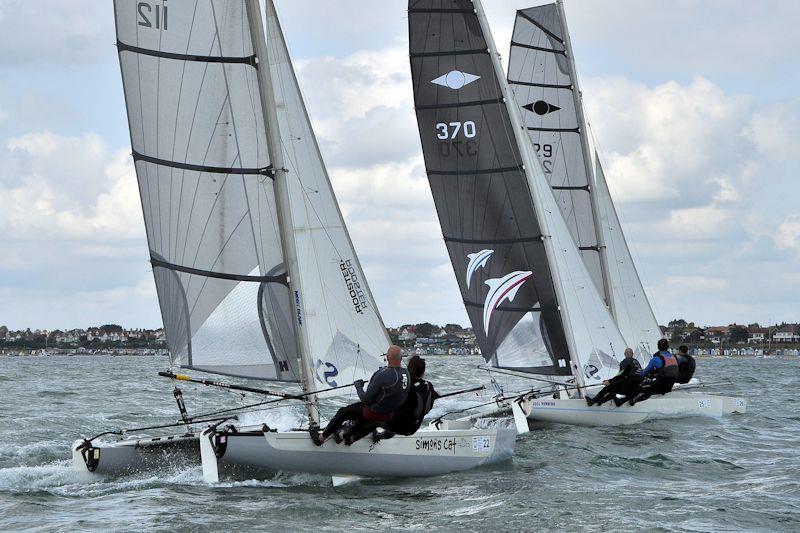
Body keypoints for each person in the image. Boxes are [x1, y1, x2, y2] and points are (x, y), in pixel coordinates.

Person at [309, 345, 409, 446]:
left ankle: (320, 439)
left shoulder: (383, 374)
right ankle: (348, 438)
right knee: (369, 422)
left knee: (343, 412)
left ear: (387, 358)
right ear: (401, 358)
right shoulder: (406, 374)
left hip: (374, 413)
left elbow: (365, 399)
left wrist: (359, 387)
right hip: (389, 415)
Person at [343, 355, 440, 444]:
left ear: (408, 368)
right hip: (413, 428)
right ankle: (379, 436)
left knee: (374, 417)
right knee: (397, 417)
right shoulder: (429, 386)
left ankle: (346, 435)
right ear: (423, 372)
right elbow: (433, 396)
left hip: (398, 426)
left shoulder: (403, 385)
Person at [629, 338, 679, 405]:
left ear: (658, 347)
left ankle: (631, 401)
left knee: (640, 387)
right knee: (651, 387)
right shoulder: (674, 357)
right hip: (669, 386)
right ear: (667, 347)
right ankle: (641, 399)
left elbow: (643, 374)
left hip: (660, 386)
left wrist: (634, 374)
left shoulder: (656, 359)